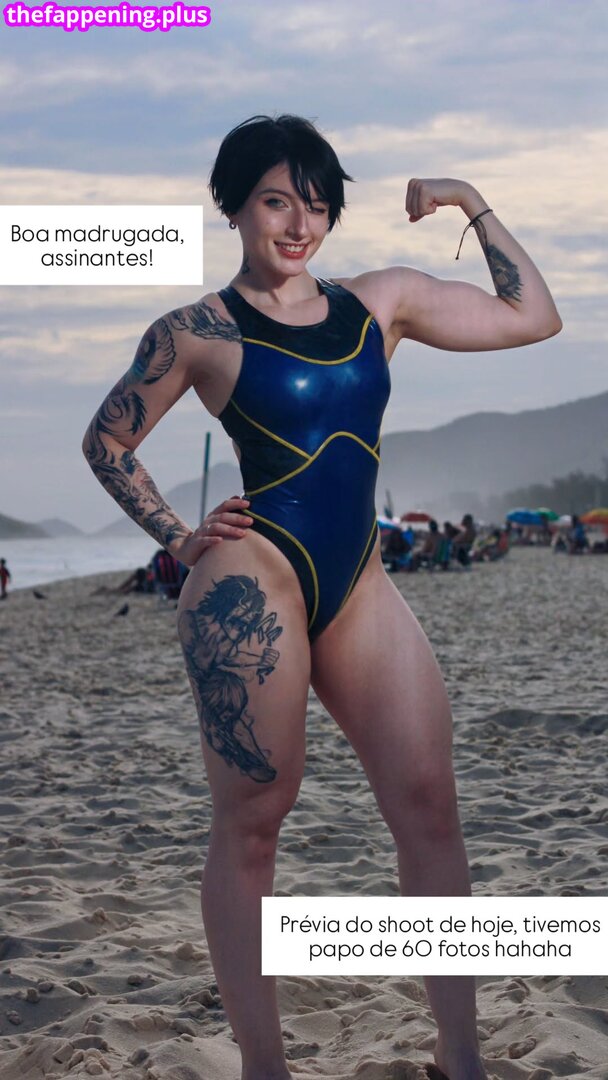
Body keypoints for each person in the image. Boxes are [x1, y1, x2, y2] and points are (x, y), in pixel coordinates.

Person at [82, 114, 562, 1080]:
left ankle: (460, 1057)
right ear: (235, 207)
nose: (298, 224)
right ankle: (266, 1066)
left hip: (359, 580)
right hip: (249, 579)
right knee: (256, 821)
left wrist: (471, 201)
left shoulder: (378, 305)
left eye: (315, 203)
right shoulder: (196, 333)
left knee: (429, 805)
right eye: (275, 201)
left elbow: (532, 316)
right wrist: (178, 537)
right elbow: (108, 440)